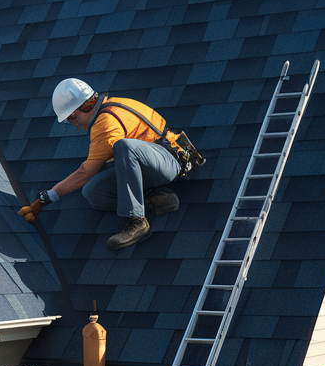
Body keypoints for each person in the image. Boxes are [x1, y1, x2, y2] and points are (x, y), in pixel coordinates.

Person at [19, 78, 199, 250]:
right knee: (92, 192)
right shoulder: (110, 105)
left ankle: (138, 221)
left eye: (71, 119)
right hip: (149, 164)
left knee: (124, 146)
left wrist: (47, 198)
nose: (73, 124)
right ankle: (155, 198)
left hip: (170, 162)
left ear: (81, 109)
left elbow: (85, 172)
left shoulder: (105, 123)